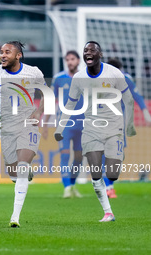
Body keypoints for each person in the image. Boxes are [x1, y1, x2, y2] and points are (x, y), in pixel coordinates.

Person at [54, 41, 136, 222]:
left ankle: (115, 162)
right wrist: (60, 127)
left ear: (101, 54)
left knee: (112, 173)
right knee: (95, 172)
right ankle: (108, 212)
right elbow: (70, 103)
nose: (88, 53)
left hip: (114, 127)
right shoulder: (79, 78)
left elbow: (128, 99)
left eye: (92, 50)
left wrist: (129, 125)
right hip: (91, 129)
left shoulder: (114, 73)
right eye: (86, 50)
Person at [0, 41, 46, 227]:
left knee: (22, 167)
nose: (3, 55)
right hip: (6, 127)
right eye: (1, 52)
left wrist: (38, 113)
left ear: (18, 55)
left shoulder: (33, 72)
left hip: (28, 125)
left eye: (8, 52)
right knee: (14, 173)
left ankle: (15, 217)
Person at [103, 58, 151, 198]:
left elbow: (137, 96)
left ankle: (108, 184)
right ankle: (108, 186)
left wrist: (145, 111)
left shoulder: (125, 79)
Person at [42, 50, 83, 198]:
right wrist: (45, 124)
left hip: (82, 124)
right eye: (67, 59)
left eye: (72, 59)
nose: (70, 62)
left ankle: (72, 184)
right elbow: (50, 100)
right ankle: (66, 188)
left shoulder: (85, 78)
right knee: (65, 155)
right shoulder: (59, 78)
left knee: (79, 157)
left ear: (78, 61)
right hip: (64, 124)